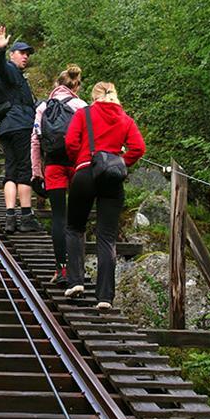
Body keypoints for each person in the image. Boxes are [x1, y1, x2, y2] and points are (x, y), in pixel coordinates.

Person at [63, 82, 145, 309]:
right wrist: (120, 163)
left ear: (94, 96)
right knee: (107, 237)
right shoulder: (125, 119)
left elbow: (70, 142)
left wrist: (78, 159)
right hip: (112, 179)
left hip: (85, 172)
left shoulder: (83, 114)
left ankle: (76, 282)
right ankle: (105, 297)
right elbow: (138, 147)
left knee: (75, 227)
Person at [31, 65, 87, 284]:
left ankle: (61, 270)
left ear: (56, 85)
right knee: (77, 219)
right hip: (77, 166)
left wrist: (37, 172)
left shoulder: (44, 106)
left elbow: (35, 140)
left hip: (53, 166)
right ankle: (77, 272)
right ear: (76, 86)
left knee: (58, 217)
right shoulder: (81, 106)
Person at [0, 25, 41, 234]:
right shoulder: (11, 70)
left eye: (27, 54)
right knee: (25, 170)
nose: (26, 57)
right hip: (21, 127)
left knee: (11, 171)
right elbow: (0, 67)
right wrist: (0, 50)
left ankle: (10, 217)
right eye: (22, 53)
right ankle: (26, 217)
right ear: (12, 54)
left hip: (6, 127)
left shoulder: (17, 76)